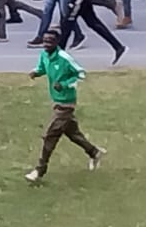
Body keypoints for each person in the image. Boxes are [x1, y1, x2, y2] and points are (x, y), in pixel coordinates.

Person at [25, 29, 103, 182]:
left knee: (50, 135)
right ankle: (94, 152)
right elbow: (42, 68)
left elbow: (81, 73)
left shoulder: (64, 58)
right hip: (56, 101)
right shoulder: (44, 55)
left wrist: (65, 85)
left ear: (57, 42)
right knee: (72, 133)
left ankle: (39, 170)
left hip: (66, 103)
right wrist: (36, 72)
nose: (46, 44)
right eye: (45, 40)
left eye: (50, 41)